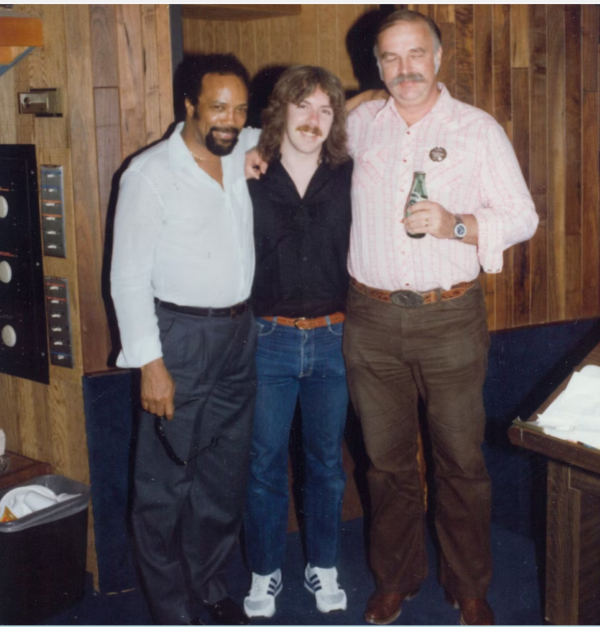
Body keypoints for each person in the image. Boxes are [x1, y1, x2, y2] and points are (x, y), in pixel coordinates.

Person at [342, 10, 539, 626]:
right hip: (369, 320)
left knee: (460, 461)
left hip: (449, 316)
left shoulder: (477, 130)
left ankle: (470, 586)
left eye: (416, 54)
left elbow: (522, 216)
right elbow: (293, 135)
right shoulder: (356, 126)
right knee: (386, 463)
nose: (406, 69)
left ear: (438, 57)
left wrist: (458, 224)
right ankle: (395, 579)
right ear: (377, 68)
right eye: (391, 59)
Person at [110, 53, 261, 626]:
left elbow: (305, 118)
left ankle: (208, 586)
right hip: (178, 338)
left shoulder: (244, 147)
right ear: (190, 106)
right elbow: (126, 276)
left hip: (238, 336)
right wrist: (150, 364)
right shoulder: (149, 173)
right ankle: (172, 611)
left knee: (222, 480)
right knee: (163, 486)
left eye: (240, 108)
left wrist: (378, 93)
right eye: (218, 106)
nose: (231, 118)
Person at [242, 66, 353, 619]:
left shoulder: (350, 174)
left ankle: (323, 564)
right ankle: (265, 572)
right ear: (281, 109)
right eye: (303, 106)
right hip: (269, 341)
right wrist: (241, 149)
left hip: (335, 340)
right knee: (263, 464)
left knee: (326, 465)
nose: (313, 120)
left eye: (325, 110)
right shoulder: (247, 172)